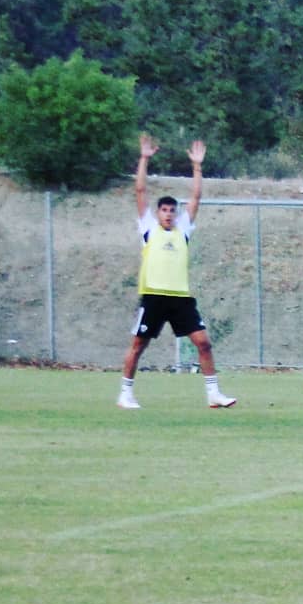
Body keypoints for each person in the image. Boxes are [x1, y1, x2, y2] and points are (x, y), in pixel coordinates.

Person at [117, 134, 235, 410]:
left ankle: (213, 394)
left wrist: (197, 166)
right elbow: (140, 191)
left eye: (172, 210)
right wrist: (144, 158)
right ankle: (125, 394)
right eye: (164, 210)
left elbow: (196, 197)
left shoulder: (183, 230)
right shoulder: (149, 229)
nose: (168, 214)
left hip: (180, 298)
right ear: (158, 213)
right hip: (154, 297)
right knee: (138, 345)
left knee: (203, 343)